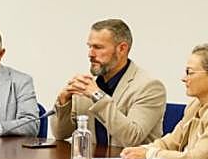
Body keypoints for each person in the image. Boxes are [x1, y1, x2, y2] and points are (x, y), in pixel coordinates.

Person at [51, 18, 165, 150]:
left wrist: (97, 96)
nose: (90, 54)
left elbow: (132, 138)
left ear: (122, 49)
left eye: (98, 47)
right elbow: (60, 134)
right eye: (90, 47)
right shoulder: (87, 85)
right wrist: (64, 101)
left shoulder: (149, 87)